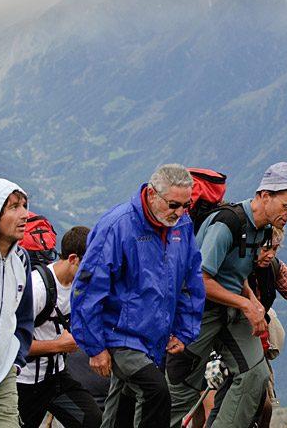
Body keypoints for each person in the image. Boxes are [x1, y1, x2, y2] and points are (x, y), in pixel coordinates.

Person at [167, 162, 287, 428]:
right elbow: (201, 280)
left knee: (256, 375)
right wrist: (246, 303)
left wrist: (253, 303)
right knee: (181, 391)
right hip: (198, 312)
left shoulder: (264, 228)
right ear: (265, 195)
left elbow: (235, 270)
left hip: (230, 313)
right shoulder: (227, 224)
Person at [71, 163, 206, 428]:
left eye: (185, 205)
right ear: (153, 194)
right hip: (119, 333)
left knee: (126, 400)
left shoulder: (183, 225)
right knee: (155, 391)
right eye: (173, 205)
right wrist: (95, 346)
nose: (179, 212)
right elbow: (87, 288)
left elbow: (191, 279)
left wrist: (185, 329)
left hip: (154, 336)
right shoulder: (117, 225)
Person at [207, 226, 287, 428]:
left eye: (275, 249)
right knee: (226, 403)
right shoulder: (230, 267)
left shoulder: (274, 267)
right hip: (223, 344)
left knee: (262, 407)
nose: (270, 254)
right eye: (265, 248)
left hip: (253, 346)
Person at [17, 225, 102, 428]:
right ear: (72, 259)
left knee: (94, 422)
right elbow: (13, 345)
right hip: (23, 384)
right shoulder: (36, 289)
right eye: (89, 263)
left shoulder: (79, 286)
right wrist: (59, 346)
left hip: (56, 378)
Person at [0, 179, 34, 428]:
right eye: (14, 207)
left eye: (25, 206)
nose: (24, 215)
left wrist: (16, 361)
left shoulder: (21, 259)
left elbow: (23, 315)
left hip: (2, 374)